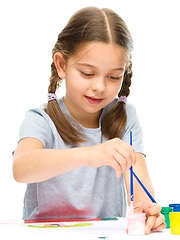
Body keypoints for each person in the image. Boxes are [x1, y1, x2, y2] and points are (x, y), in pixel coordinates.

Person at [13, 6, 166, 234]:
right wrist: (88, 155)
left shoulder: (125, 117)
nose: (100, 87)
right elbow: (21, 168)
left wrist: (145, 209)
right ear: (62, 65)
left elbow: (139, 178)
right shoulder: (41, 119)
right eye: (87, 73)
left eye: (114, 76)